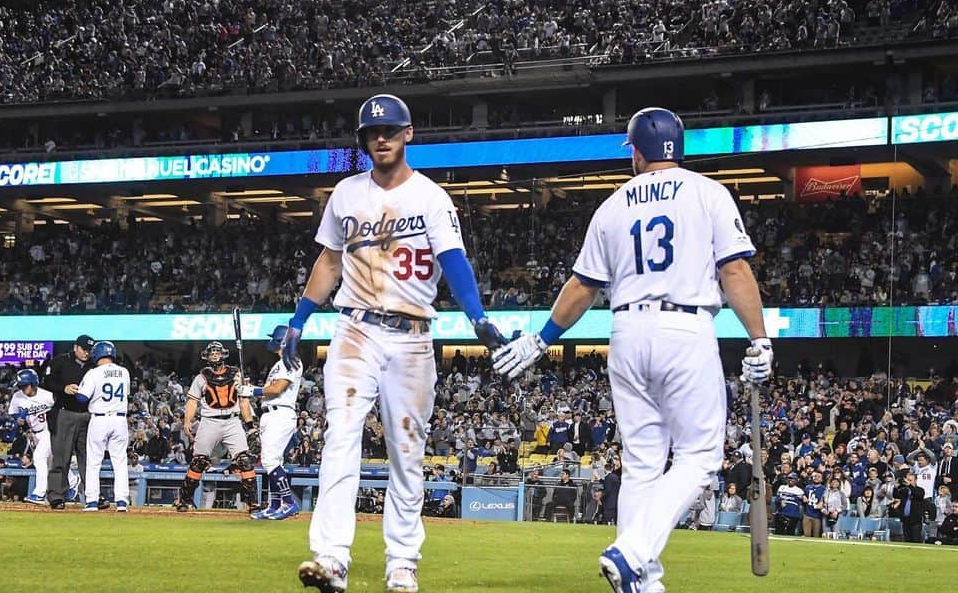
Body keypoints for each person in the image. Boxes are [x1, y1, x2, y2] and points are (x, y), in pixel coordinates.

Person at [491, 106, 770, 593]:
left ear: (637, 151)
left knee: (643, 462)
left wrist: (543, 339)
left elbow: (583, 285)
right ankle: (634, 552)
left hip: (625, 333)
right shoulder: (708, 193)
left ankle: (640, 579)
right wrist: (759, 338)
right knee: (700, 459)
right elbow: (735, 271)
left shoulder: (613, 205)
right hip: (684, 328)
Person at [285, 93, 505, 593]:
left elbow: (453, 260)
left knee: (406, 450)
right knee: (340, 435)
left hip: (411, 337)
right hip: (355, 329)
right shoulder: (346, 193)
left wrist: (478, 316)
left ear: (408, 134)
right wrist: (298, 320)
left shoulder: (430, 196)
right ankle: (331, 558)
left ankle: (402, 560)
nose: (379, 137)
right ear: (363, 140)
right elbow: (329, 262)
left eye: (389, 130)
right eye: (370, 132)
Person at [176, 341, 260, 512]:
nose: (215, 355)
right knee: (199, 461)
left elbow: (244, 401)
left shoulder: (237, 374)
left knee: (244, 460)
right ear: (206, 356)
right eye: (211, 353)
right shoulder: (201, 377)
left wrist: (250, 425)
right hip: (209, 420)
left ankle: (253, 503)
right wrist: (187, 421)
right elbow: (193, 402)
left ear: (223, 354)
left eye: (217, 353)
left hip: (232, 420)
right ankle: (184, 500)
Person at [248, 326, 304, 520]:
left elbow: (278, 388)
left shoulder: (290, 360)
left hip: (279, 414)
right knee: (273, 462)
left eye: (275, 338)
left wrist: (253, 391)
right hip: (272, 413)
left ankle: (288, 502)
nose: (271, 341)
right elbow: (271, 389)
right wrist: (251, 388)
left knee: (270, 460)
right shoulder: (281, 362)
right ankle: (274, 505)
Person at [73, 341, 130, 512]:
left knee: (93, 462)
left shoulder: (93, 373)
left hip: (100, 419)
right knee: (119, 462)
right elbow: (126, 394)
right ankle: (121, 501)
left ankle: (91, 501)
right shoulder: (124, 372)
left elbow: (82, 398)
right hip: (120, 420)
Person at [44, 334, 95, 510]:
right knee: (61, 457)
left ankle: (92, 496)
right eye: (83, 349)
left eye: (89, 350)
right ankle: (56, 496)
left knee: (88, 459)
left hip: (87, 415)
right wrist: (63, 388)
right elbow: (47, 381)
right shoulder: (60, 361)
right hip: (65, 413)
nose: (86, 353)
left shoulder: (94, 366)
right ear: (75, 347)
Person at [7, 369, 55, 505]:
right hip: (33, 433)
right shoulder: (17, 397)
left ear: (34, 383)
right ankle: (69, 482)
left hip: (48, 430)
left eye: (25, 385)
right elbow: (14, 413)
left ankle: (39, 494)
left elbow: (59, 409)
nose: (22, 388)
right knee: (49, 464)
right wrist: (20, 421)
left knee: (39, 458)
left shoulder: (47, 396)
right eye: (21, 386)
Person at [891, 470, 927, 543]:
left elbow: (918, 495)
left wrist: (909, 486)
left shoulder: (920, 490)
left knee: (916, 540)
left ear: (915, 480)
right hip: (905, 520)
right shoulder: (904, 490)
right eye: (907, 480)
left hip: (915, 521)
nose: (908, 482)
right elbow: (895, 495)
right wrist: (895, 487)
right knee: (906, 540)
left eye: (910, 480)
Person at [802, 471, 826, 537]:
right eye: (815, 476)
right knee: (807, 535)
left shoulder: (824, 489)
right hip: (807, 514)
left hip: (817, 516)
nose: (816, 478)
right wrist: (803, 496)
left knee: (816, 536)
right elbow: (803, 495)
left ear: (822, 479)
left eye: (819, 477)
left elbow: (826, 500)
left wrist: (822, 502)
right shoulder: (807, 487)